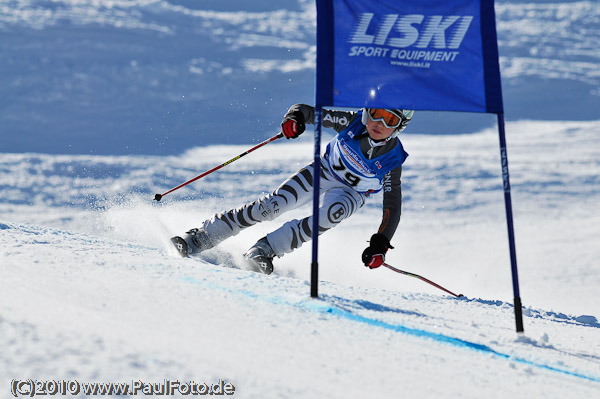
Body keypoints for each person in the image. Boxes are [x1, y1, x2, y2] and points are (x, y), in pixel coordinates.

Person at [170, 105, 414, 275]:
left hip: (352, 193)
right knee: (274, 205)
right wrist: (294, 119)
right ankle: (202, 236)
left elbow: (392, 205)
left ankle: (265, 250)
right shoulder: (351, 122)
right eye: (375, 114)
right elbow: (307, 111)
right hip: (325, 170)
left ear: (400, 126)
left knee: (330, 216)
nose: (379, 123)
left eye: (390, 120)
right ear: (366, 111)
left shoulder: (393, 157)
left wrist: (380, 244)